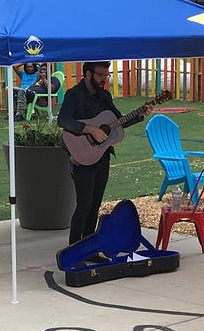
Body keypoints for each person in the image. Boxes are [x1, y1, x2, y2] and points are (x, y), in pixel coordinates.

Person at [57, 61, 143, 247]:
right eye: (100, 75)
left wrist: (140, 114)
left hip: (102, 156)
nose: (104, 79)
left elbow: (118, 121)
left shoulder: (104, 96)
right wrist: (90, 129)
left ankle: (89, 249)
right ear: (88, 74)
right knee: (83, 207)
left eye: (107, 75)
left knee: (95, 205)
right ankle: (73, 250)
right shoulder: (75, 95)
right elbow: (63, 120)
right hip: (82, 158)